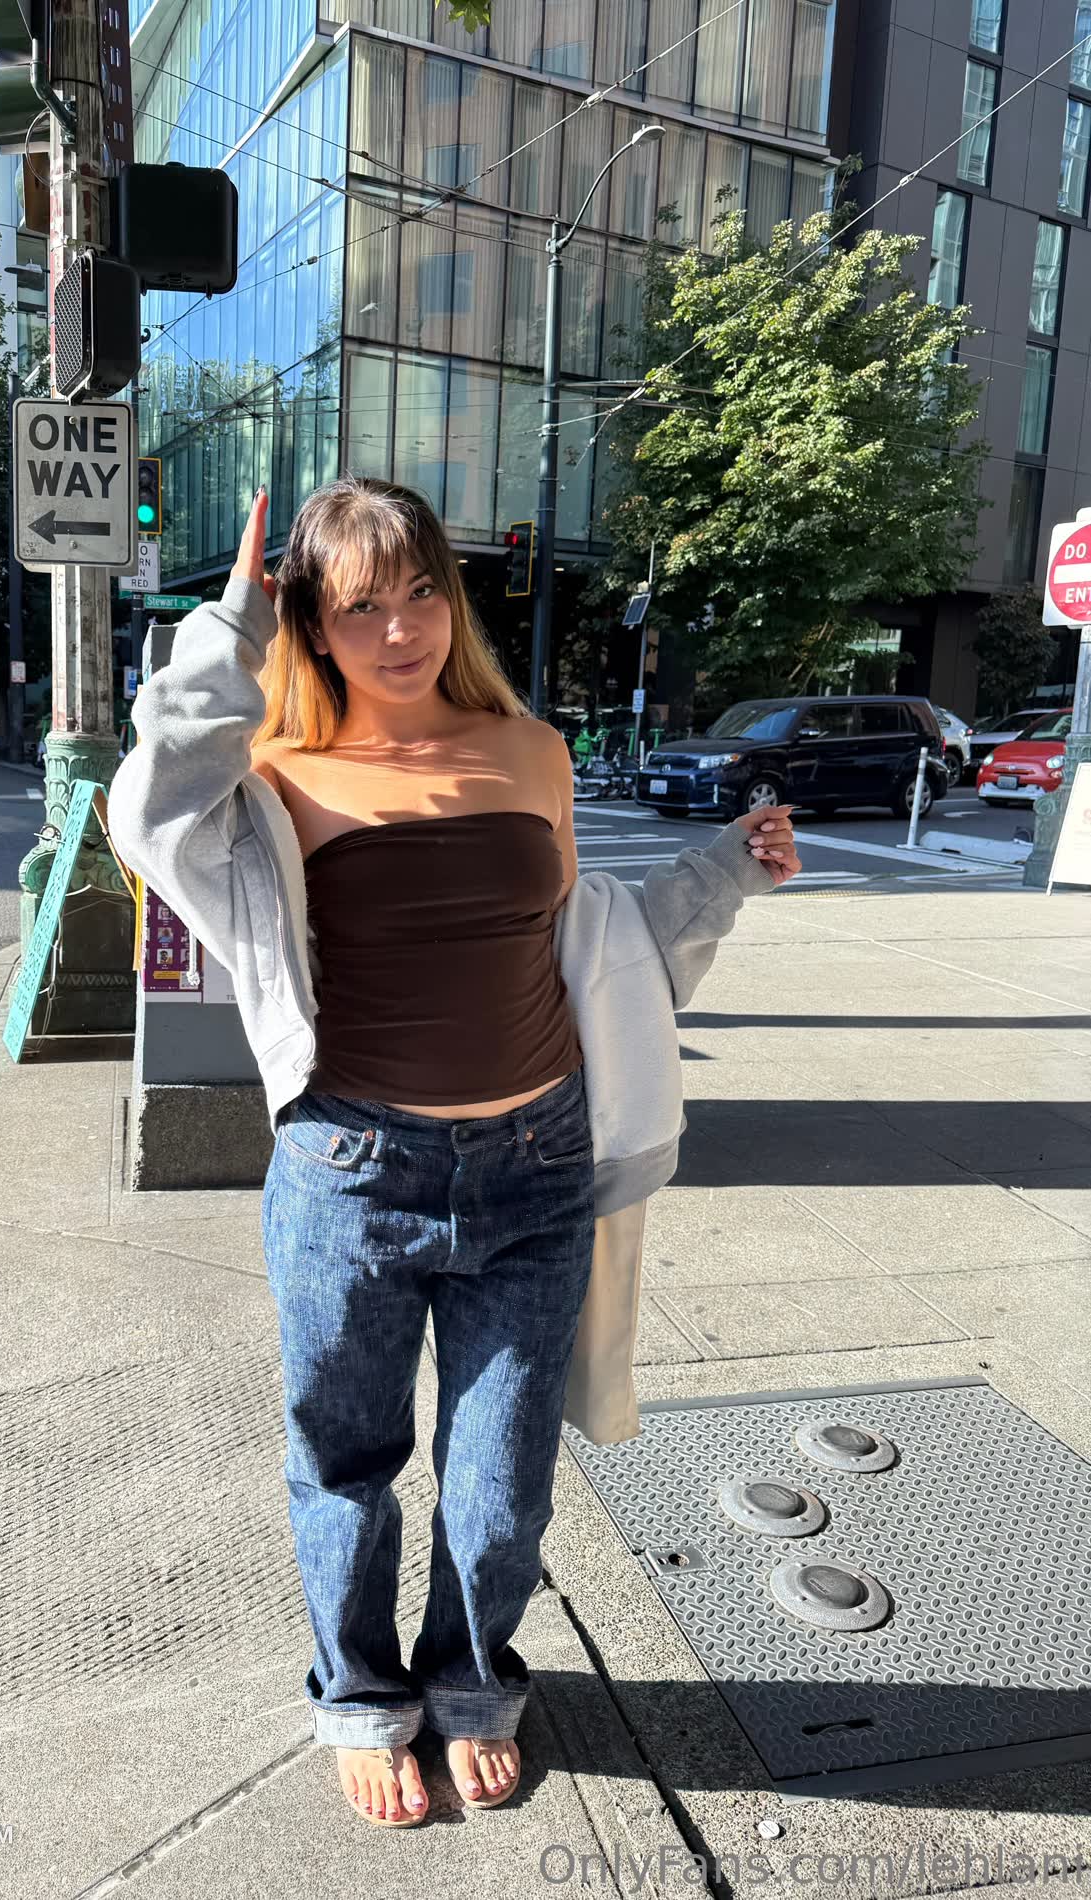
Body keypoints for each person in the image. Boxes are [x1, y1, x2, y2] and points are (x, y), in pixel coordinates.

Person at [108, 476, 799, 1831]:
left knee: (499, 1487)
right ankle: (362, 1698)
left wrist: (725, 870)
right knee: (347, 1465)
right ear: (310, 623)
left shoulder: (529, 751)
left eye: (422, 589)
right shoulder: (272, 777)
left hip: (538, 1164)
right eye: (359, 605)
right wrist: (232, 627)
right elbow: (149, 807)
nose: (401, 628)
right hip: (351, 1176)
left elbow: (592, 944)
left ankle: (472, 1680)